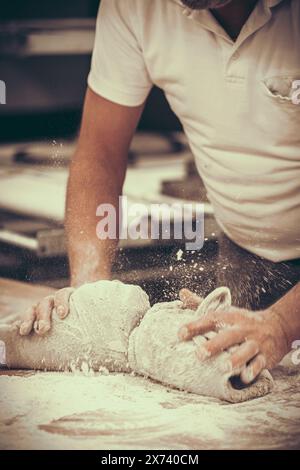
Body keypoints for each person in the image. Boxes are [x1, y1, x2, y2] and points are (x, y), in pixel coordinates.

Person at [18, 0, 300, 385]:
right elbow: (101, 150)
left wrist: (284, 323)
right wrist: (90, 299)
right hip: (246, 259)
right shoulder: (133, 4)